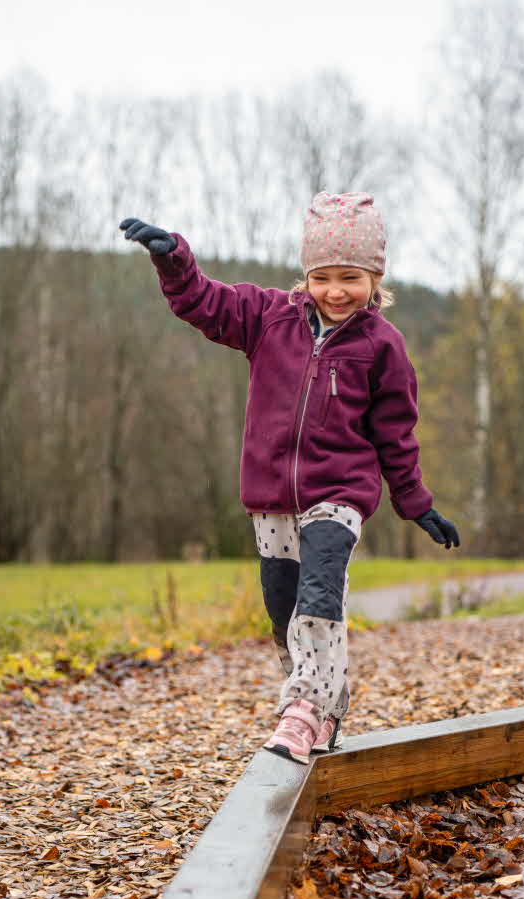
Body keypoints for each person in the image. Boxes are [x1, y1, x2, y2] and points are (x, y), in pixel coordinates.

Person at [120, 192, 459, 765]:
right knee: (283, 608)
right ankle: (329, 705)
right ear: (306, 275)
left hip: (340, 494)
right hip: (272, 498)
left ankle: (300, 712)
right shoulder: (267, 317)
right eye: (322, 277)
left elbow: (395, 433)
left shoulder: (384, 347)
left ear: (375, 276)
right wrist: (174, 260)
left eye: (350, 277)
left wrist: (416, 503)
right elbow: (204, 303)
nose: (335, 291)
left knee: (318, 595)